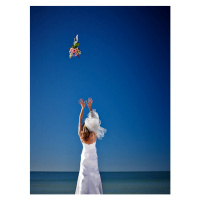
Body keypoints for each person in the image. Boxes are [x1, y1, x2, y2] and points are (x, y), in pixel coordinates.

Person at [75, 98, 107, 194]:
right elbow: (95, 120)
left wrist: (82, 108)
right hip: (93, 160)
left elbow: (80, 119)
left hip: (84, 159)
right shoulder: (94, 135)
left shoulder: (81, 135)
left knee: (84, 176)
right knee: (94, 177)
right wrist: (90, 107)